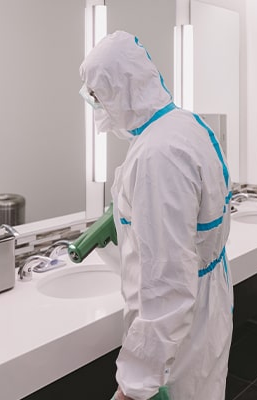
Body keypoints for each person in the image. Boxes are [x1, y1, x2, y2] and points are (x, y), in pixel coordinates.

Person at [79, 31, 234, 399]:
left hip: (178, 335)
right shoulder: (182, 125)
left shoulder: (157, 155)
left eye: (99, 97)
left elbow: (167, 281)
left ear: (122, 88)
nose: (99, 109)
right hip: (201, 310)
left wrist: (135, 384)